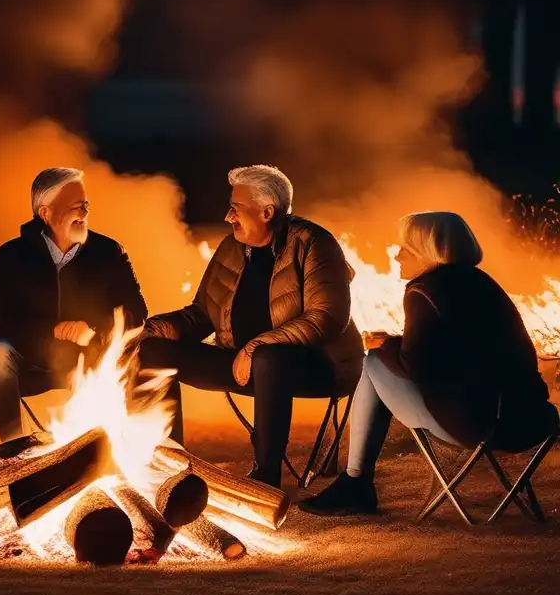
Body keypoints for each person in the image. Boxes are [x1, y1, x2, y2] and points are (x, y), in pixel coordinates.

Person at [299, 212, 559, 516]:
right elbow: (457, 352)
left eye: (405, 250)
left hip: (479, 426)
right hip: (531, 420)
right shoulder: (482, 283)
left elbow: (415, 367)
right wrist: (397, 342)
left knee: (372, 363)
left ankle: (356, 482)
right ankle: (355, 483)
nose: (396, 256)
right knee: (382, 358)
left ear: (428, 253)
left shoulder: (425, 290)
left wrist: (387, 345)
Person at [139, 165, 363, 488]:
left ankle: (265, 477)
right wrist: (153, 328)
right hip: (242, 363)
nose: (229, 217)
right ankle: (168, 465)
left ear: (267, 212)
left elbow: (326, 319)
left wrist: (256, 346)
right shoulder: (232, 247)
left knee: (269, 358)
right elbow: (202, 313)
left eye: (236, 208)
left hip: (320, 366)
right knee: (152, 352)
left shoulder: (315, 244)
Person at [0, 167, 148, 443]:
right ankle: (14, 449)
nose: (84, 213)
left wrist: (93, 330)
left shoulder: (108, 251)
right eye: (75, 207)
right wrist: (51, 331)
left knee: (136, 356)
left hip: (91, 356)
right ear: (45, 213)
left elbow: (137, 313)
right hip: (31, 356)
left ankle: (113, 446)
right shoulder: (11, 255)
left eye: (86, 205)